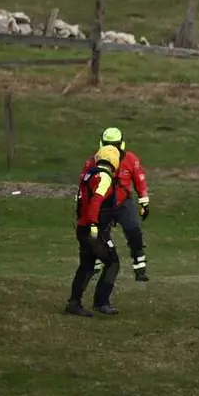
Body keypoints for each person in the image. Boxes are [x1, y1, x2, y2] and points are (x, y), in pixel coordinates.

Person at [81, 127, 151, 281]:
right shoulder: (92, 162)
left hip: (123, 203)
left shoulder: (131, 159)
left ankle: (140, 265)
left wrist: (144, 202)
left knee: (133, 230)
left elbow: (139, 180)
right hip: (102, 203)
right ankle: (95, 263)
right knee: (98, 234)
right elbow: (84, 185)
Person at [65, 145, 122, 318]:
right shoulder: (104, 178)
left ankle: (74, 303)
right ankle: (101, 302)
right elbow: (96, 201)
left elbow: (82, 200)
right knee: (113, 262)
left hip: (82, 228)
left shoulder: (89, 174)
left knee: (87, 266)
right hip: (94, 230)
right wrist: (94, 225)